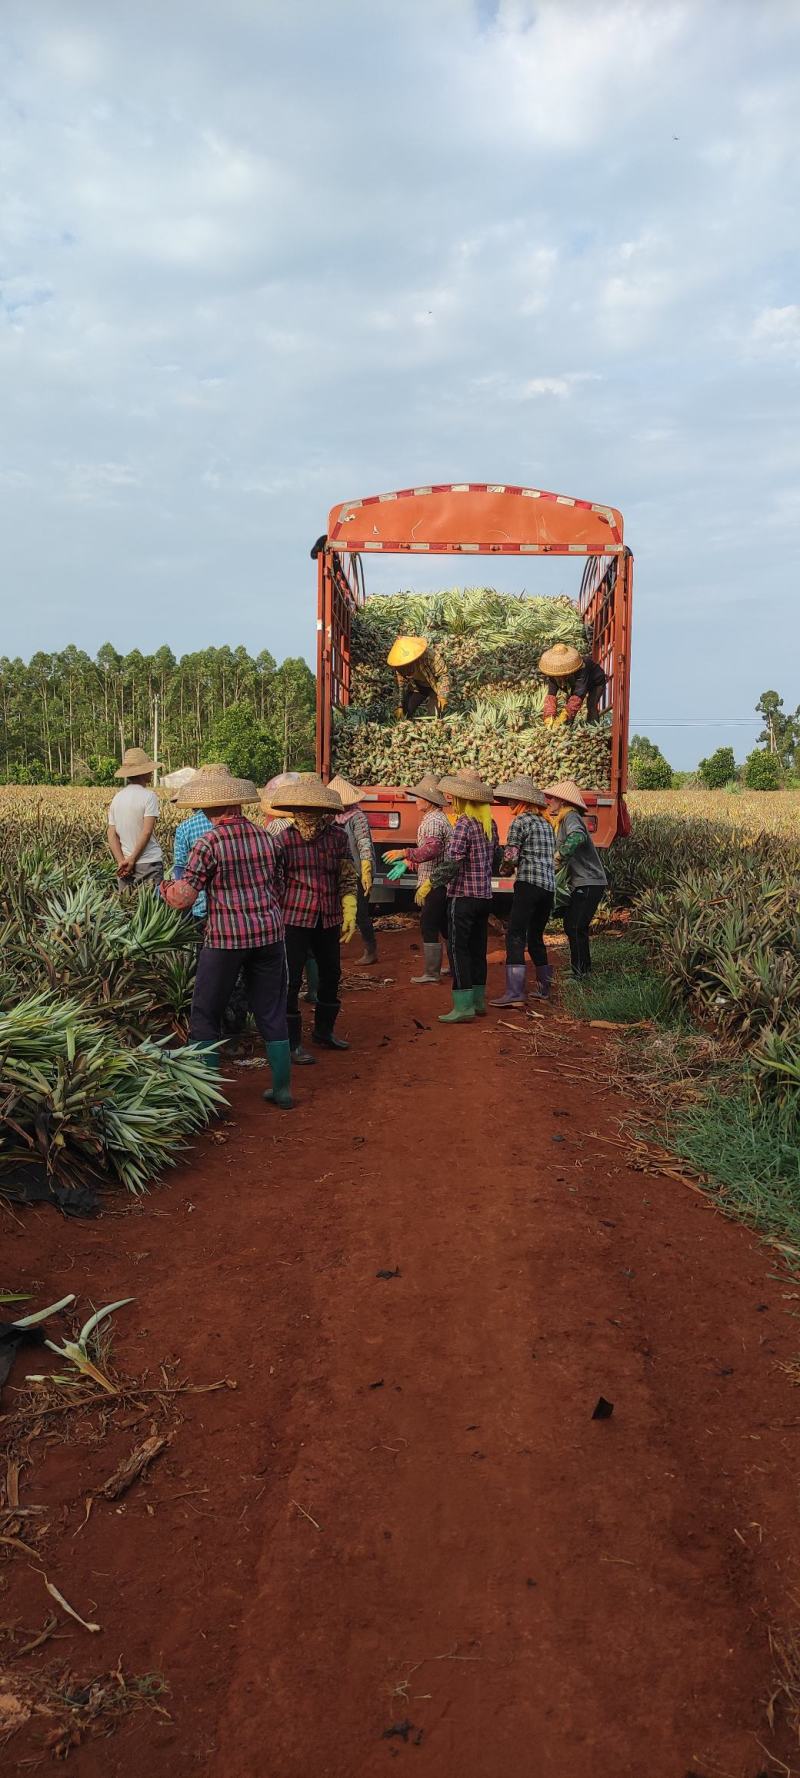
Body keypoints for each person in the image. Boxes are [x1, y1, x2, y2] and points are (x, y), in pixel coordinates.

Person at [160, 764, 293, 1111]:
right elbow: (280, 886)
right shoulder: (268, 838)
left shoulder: (209, 842)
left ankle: (208, 1097)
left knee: (206, 1012)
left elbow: (184, 898)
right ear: (237, 804)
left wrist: (165, 888)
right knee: (270, 1010)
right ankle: (282, 1090)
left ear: (209, 807)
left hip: (225, 939)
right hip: (268, 934)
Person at [268, 774, 358, 1063]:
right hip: (293, 917)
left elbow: (346, 875)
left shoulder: (338, 838)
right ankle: (292, 1043)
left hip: (328, 917)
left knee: (331, 974)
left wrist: (350, 906)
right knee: (291, 979)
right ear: (294, 811)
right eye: (302, 810)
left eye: (313, 810)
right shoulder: (282, 841)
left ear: (324, 811)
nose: (307, 816)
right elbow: (275, 881)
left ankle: (323, 1031)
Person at [422, 768, 498, 1025]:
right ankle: (478, 1002)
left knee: (458, 950)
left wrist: (431, 883)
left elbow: (453, 861)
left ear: (463, 800)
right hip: (484, 897)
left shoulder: (464, 823)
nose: (451, 803)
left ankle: (463, 1006)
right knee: (478, 950)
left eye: (454, 798)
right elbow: (496, 859)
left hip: (463, 897)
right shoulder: (490, 823)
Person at [490, 776, 556, 1006]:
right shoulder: (547, 824)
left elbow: (511, 856)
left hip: (528, 883)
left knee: (515, 935)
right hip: (548, 887)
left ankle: (515, 992)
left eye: (511, 799)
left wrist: (504, 870)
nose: (509, 804)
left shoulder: (521, 822)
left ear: (521, 801)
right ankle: (544, 988)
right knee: (536, 936)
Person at [384, 773, 452, 984]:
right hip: (439, 880)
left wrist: (406, 853)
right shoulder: (436, 819)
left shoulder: (432, 821)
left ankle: (432, 973)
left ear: (429, 801)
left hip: (434, 882)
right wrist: (409, 863)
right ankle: (452, 965)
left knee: (429, 924)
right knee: (444, 924)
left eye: (419, 797)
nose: (416, 800)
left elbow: (432, 849)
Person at [544, 779, 608, 979]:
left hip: (589, 881)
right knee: (572, 925)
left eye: (553, 798)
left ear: (562, 801)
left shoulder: (571, 816)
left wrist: (559, 857)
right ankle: (579, 968)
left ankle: (581, 974)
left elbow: (578, 837)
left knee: (575, 925)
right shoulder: (564, 818)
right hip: (583, 882)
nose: (549, 800)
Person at [329, 775, 379, 966]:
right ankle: (333, 949)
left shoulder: (358, 818)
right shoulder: (334, 819)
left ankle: (371, 950)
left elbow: (364, 842)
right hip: (340, 870)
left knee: (360, 912)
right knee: (335, 910)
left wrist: (366, 868)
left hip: (358, 870)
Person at [107, 747, 163, 889]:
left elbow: (111, 834)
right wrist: (132, 859)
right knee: (151, 909)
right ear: (144, 772)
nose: (151, 772)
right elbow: (146, 831)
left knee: (128, 909)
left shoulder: (117, 798)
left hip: (125, 865)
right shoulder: (149, 796)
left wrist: (122, 861)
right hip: (148, 862)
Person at [539, 645, 607, 726]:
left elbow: (579, 695)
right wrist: (548, 715)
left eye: (561, 676)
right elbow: (551, 694)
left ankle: (593, 727)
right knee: (568, 704)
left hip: (595, 682)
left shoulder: (582, 669)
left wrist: (565, 715)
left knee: (591, 705)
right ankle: (567, 726)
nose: (557, 678)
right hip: (574, 682)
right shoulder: (553, 672)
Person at [386, 637, 449, 719]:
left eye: (408, 667)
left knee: (435, 715)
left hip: (435, 686)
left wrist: (443, 696)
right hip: (417, 687)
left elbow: (443, 676)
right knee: (405, 712)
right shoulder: (400, 665)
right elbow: (400, 686)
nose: (406, 672)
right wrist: (399, 706)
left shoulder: (431, 657)